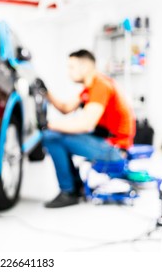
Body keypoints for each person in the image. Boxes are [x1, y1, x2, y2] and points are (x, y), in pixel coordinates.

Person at [40, 49, 136, 208]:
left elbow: (86, 124)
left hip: (115, 149)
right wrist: (46, 93)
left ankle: (69, 191)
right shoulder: (89, 88)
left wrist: (47, 125)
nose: (68, 72)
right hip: (105, 141)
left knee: (51, 136)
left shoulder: (100, 86)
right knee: (54, 134)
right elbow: (66, 108)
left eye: (71, 67)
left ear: (84, 67)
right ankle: (75, 187)